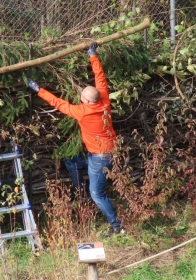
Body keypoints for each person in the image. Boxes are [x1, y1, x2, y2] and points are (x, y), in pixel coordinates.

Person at [28, 42, 124, 236]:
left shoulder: (82, 112)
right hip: (108, 151)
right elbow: (101, 79)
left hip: (100, 157)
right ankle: (80, 193)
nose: (80, 97)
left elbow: (58, 103)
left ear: (88, 101)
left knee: (97, 194)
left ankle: (116, 225)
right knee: (72, 160)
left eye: (82, 96)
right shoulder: (104, 101)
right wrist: (93, 55)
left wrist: (38, 90)